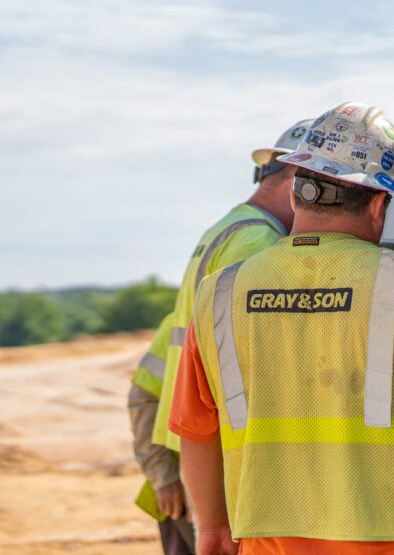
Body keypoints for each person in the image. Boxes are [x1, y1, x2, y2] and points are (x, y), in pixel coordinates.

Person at [169, 102, 394, 555]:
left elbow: (196, 430)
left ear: (295, 193)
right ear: (380, 203)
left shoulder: (221, 295)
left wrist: (211, 529)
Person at [128, 118, 314, 554]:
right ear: (293, 180)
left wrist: (163, 469)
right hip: (221, 468)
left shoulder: (225, 230)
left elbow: (153, 374)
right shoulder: (261, 246)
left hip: (190, 454)